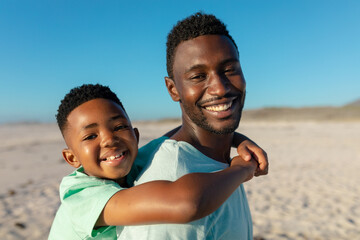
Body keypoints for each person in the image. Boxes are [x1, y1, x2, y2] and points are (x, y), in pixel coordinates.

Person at [117, 12, 268, 239]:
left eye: (229, 70)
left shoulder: (224, 160)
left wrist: (238, 139)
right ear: (173, 89)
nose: (220, 88)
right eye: (198, 76)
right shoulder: (172, 178)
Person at [48, 84, 265, 239]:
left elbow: (187, 132)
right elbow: (188, 204)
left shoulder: (132, 159)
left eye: (119, 127)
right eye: (90, 136)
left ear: (136, 136)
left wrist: (238, 139)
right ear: (72, 158)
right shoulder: (79, 194)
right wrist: (242, 169)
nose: (109, 140)